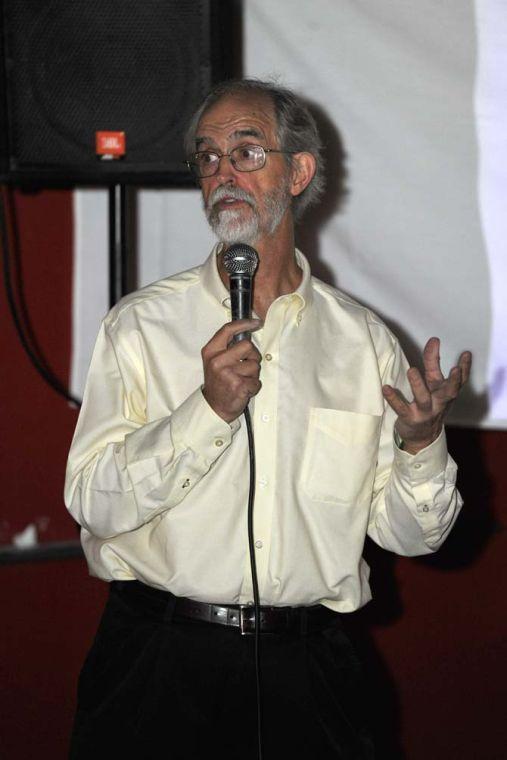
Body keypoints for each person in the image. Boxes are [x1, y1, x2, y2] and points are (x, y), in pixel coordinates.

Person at [65, 78, 472, 759]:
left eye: (247, 152)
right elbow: (91, 502)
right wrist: (207, 411)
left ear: (300, 171)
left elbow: (410, 537)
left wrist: (421, 443)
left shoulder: (361, 340)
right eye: (207, 156)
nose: (222, 172)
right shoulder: (141, 325)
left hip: (307, 670)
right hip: (159, 662)